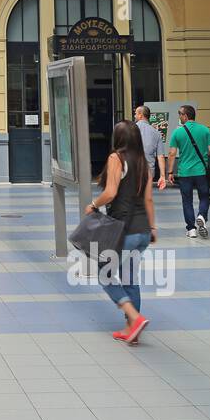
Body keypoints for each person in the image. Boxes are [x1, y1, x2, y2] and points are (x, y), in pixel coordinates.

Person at [85, 120, 157, 345]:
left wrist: (93, 205)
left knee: (104, 274)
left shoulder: (117, 158)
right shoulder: (144, 163)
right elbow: (148, 199)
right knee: (130, 279)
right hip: (143, 230)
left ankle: (134, 318)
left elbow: (111, 192)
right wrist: (152, 228)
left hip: (123, 229)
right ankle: (131, 330)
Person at [167, 104, 210, 238]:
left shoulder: (177, 132)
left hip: (185, 173)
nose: (179, 117)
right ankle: (201, 215)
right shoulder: (205, 130)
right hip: (201, 172)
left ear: (185, 116)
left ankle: (191, 229)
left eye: (180, 114)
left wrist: (170, 172)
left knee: (187, 200)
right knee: (205, 197)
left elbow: (172, 153)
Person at [134, 105, 167, 191]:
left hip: (132, 169)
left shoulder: (131, 129)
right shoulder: (156, 133)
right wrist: (162, 176)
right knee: (146, 197)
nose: (134, 116)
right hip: (148, 172)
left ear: (140, 115)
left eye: (135, 114)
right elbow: (160, 156)